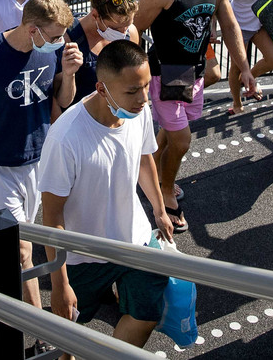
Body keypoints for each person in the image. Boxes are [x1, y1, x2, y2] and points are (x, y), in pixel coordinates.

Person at [40, 39, 173, 349]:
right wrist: (59, 284)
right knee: (68, 328)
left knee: (146, 313)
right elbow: (52, 215)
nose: (143, 99)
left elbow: (143, 159)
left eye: (145, 86)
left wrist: (159, 209)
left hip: (134, 241)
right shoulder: (65, 139)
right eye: (132, 91)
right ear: (101, 89)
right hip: (83, 255)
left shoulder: (137, 110)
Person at [0, 0, 82, 314]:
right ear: (31, 29)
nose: (58, 42)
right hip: (0, 164)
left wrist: (69, 75)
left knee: (25, 239)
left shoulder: (50, 52)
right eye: (53, 36)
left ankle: (12, 294)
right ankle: (41, 324)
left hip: (40, 159)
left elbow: (63, 101)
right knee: (22, 246)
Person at [133, 0, 258, 231]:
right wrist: (134, 76)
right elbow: (136, 28)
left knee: (170, 136)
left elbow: (230, 27)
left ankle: (145, 174)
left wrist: (244, 69)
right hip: (168, 72)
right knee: (182, 139)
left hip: (195, 72)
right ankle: (165, 191)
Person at [55, 0, 140, 109]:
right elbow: (59, 102)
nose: (124, 32)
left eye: (128, 25)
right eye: (116, 28)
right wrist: (68, 74)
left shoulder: (131, 33)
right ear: (95, 15)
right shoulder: (68, 39)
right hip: (79, 120)